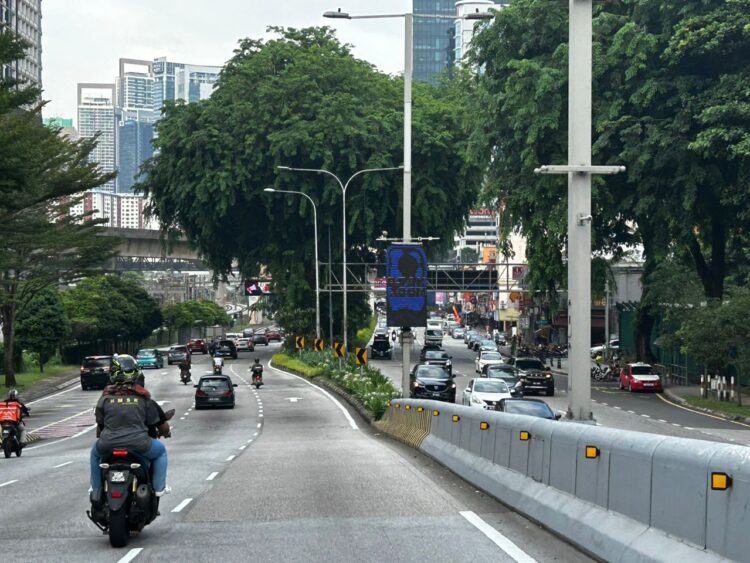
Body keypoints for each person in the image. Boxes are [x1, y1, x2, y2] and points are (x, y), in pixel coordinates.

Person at [89, 354, 171, 509]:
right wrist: (165, 432)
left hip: (108, 445)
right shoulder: (144, 399)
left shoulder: (105, 399)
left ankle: (96, 489)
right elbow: (163, 426)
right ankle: (159, 488)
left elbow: (100, 424)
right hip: (139, 445)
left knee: (94, 454)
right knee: (160, 452)